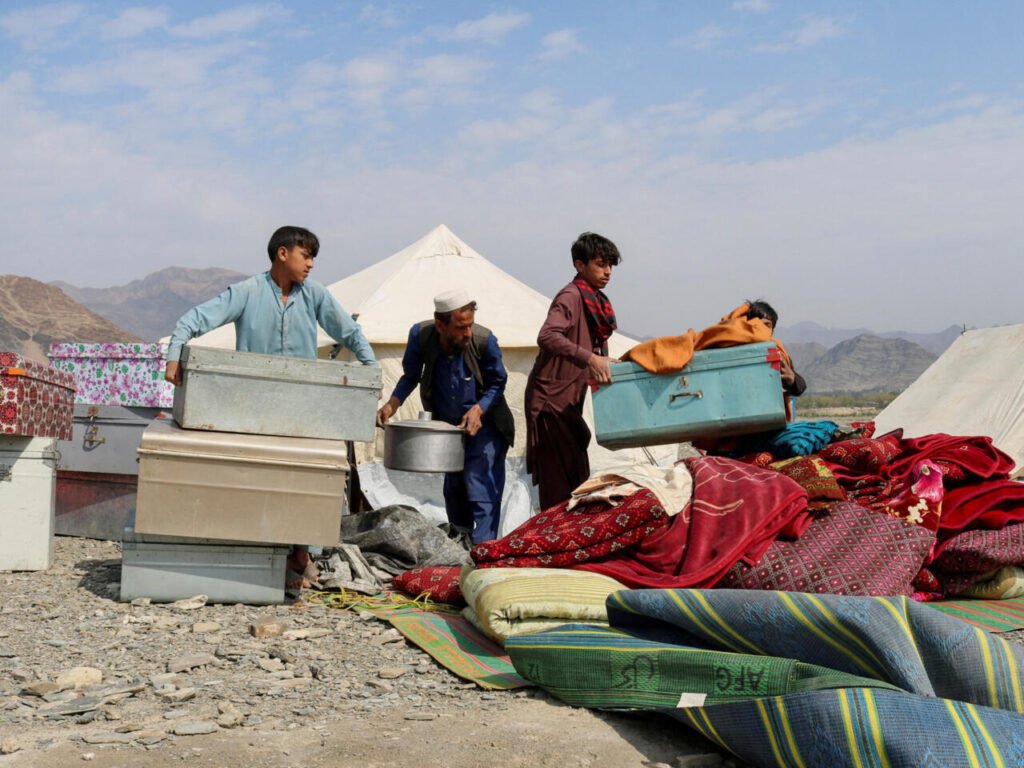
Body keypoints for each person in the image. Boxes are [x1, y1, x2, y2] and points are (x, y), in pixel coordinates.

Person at [164, 225, 378, 588]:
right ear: (283, 253)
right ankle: (254, 553)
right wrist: (174, 356)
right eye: (305, 255)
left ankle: (302, 553)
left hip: (303, 405)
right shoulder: (247, 292)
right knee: (256, 476)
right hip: (253, 405)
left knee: (306, 476)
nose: (310, 264)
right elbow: (194, 319)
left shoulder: (314, 295)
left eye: (313, 258)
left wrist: (371, 372)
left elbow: (350, 332)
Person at [376, 290, 514, 545]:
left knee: (482, 491)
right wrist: (392, 404)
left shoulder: (484, 341)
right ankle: (460, 551)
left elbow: (498, 383)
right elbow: (411, 375)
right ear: (441, 324)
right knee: (455, 491)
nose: (468, 333)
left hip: (486, 431)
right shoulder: (422, 336)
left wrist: (479, 409)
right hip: (449, 430)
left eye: (470, 325)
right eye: (461, 327)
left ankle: (482, 555)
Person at [525, 232, 621, 511]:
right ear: (580, 265)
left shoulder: (594, 300)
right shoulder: (571, 295)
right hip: (550, 403)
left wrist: (602, 360)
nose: (607, 272)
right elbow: (547, 336)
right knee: (558, 488)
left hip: (569, 403)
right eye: (601, 264)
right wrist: (590, 358)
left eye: (611, 265)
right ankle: (554, 546)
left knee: (576, 480)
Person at [744, 299, 806, 401]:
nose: (762, 329)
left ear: (772, 330)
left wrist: (791, 378)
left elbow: (800, 387)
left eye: (767, 325)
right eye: (757, 324)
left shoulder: (778, 354)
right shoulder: (732, 349)